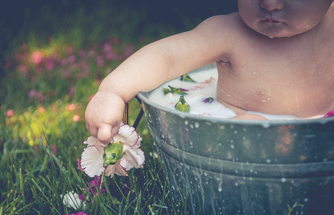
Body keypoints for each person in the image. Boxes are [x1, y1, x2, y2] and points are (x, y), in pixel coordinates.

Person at [85, 0, 334, 143]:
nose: (269, 3)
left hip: (321, 135)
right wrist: (112, 92)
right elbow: (166, 57)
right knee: (250, 128)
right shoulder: (228, 33)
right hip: (240, 131)